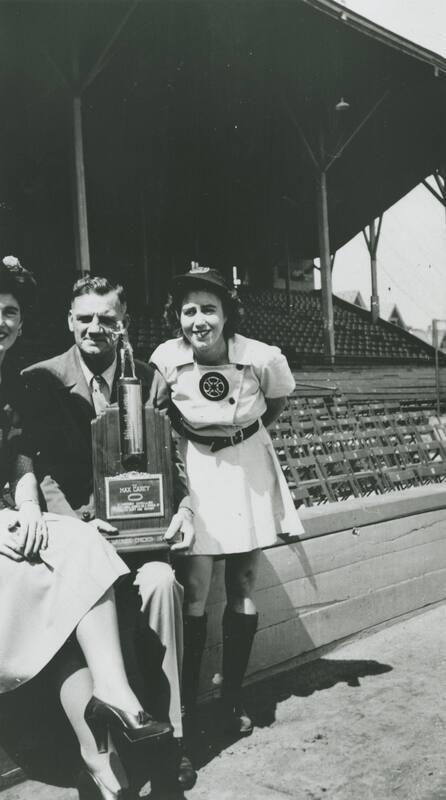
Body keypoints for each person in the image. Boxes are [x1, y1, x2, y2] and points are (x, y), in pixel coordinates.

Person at [0, 256, 172, 800]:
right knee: (72, 544)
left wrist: (25, 506)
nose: (1, 321)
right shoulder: (41, 378)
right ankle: (106, 726)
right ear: (68, 322)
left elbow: (19, 460)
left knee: (88, 582)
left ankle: (107, 741)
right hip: (55, 526)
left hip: (59, 524)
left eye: (8, 312)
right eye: (84, 318)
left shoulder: (13, 382)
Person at [150, 264, 304, 737]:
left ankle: (230, 697)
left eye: (209, 309)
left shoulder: (261, 356)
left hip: (246, 467)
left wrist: (241, 438)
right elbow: (156, 413)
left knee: (243, 583)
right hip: (194, 468)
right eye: (189, 310)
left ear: (227, 314)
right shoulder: (165, 358)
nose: (199, 320)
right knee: (194, 591)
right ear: (177, 317)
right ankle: (188, 710)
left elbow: (276, 402)